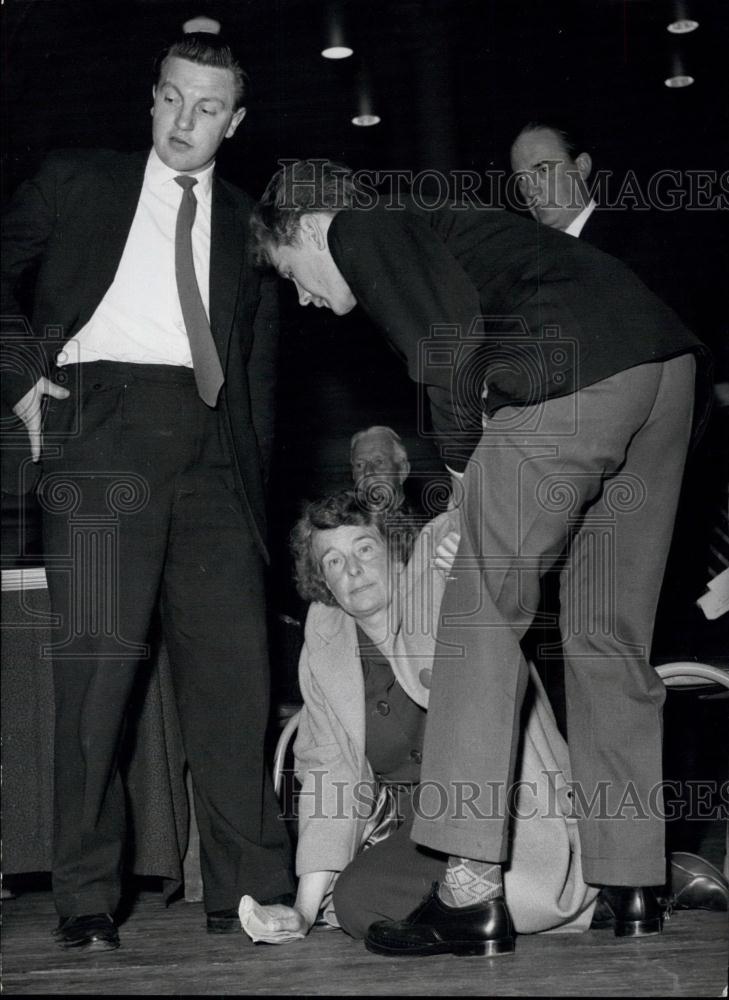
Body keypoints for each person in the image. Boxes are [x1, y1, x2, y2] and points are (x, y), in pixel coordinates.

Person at [250, 159, 709, 957]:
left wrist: (463, 465)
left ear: (309, 229)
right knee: (606, 636)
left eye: (293, 275)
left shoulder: (363, 225)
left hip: (569, 375)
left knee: (474, 618)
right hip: (664, 370)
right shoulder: (454, 227)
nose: (304, 299)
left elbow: (443, 345)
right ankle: (631, 881)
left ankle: (467, 890)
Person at [0, 26, 293, 952]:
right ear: (151, 96)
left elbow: (256, 375)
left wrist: (254, 493)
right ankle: (86, 897)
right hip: (100, 426)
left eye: (208, 108)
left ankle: (247, 892)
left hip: (213, 451)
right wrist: (16, 376)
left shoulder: (249, 223)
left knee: (235, 676)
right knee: (97, 675)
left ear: (234, 122)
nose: (184, 121)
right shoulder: (77, 180)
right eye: (172, 97)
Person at [238, 491, 598, 946]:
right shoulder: (325, 644)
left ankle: (586, 887)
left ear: (395, 552)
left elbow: (476, 511)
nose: (351, 570)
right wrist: (304, 912)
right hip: (419, 832)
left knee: (364, 905)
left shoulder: (441, 595)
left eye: (365, 549)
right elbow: (331, 774)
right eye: (332, 561)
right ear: (323, 582)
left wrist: (470, 571)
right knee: (353, 903)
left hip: (503, 812)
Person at [509, 120, 694, 323]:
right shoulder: (528, 271)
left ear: (581, 167)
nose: (530, 190)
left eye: (542, 170)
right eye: (521, 179)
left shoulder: (640, 247)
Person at [350, 425, 418, 515]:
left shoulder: (435, 525)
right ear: (353, 475)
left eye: (378, 462)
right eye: (359, 465)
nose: (368, 472)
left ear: (402, 470)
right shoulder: (344, 526)